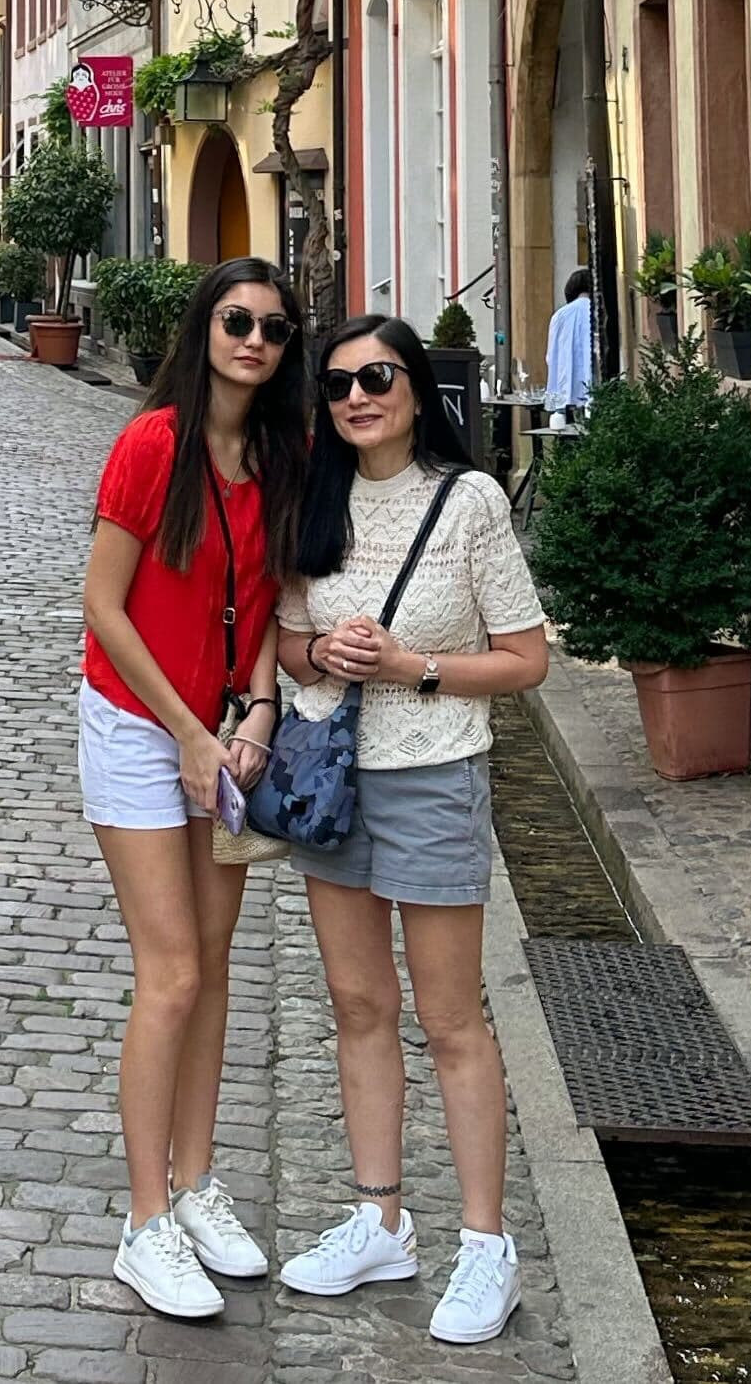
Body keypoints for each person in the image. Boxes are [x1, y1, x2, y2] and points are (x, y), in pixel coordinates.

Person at [276, 314, 547, 1346]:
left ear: (414, 387)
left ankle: (487, 1244)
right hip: (332, 780)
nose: (357, 397)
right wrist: (323, 658)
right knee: (356, 1003)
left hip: (434, 777)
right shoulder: (314, 494)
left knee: (450, 1018)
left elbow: (525, 659)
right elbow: (285, 637)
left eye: (377, 376)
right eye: (339, 384)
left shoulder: (468, 500)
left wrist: (412, 668)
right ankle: (380, 1217)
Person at [80, 258, 309, 1319]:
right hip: (135, 726)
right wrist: (183, 730)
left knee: (215, 967)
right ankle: (143, 1223)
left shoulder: (280, 453)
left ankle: (197, 1184)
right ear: (204, 327)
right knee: (170, 971)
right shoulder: (153, 445)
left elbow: (262, 606)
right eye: (236, 319)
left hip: (224, 736)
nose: (253, 338)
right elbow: (104, 608)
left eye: (272, 325)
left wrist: (255, 716)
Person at [544, 267, 592, 416]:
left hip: (564, 387)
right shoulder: (598, 310)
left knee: (563, 429)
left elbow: (551, 356)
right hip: (593, 387)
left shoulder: (560, 315)